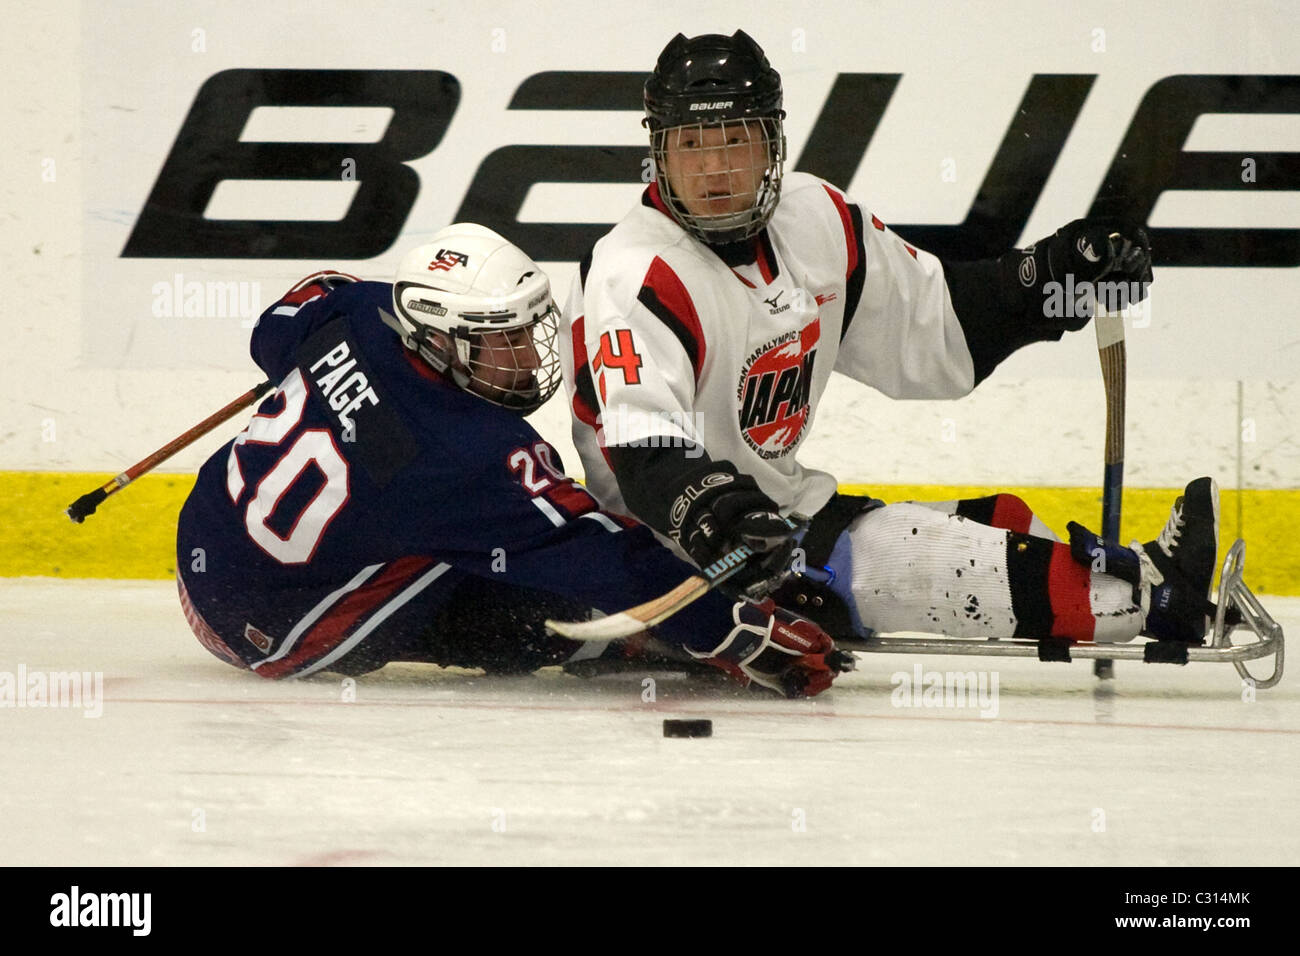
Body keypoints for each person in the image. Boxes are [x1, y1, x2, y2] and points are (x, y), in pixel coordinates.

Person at [559, 30, 1220, 647]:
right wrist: (720, 517)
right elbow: (645, 452)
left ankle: (1135, 580)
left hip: (783, 516)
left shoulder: (815, 219)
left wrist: (1054, 274)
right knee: (921, 554)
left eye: (736, 141)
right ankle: (1157, 598)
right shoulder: (635, 270)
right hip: (677, 560)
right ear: (660, 153)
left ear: (773, 146)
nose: (715, 169)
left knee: (1006, 520)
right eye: (693, 145)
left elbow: (941, 326)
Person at [175, 223, 851, 697]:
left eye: (530, 333)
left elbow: (280, 322)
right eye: (504, 343)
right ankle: (608, 643)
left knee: (478, 537)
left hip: (201, 535)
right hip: (267, 624)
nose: (529, 358)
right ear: (437, 340)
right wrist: (738, 633)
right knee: (545, 599)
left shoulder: (357, 312)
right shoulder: (465, 458)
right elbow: (606, 557)